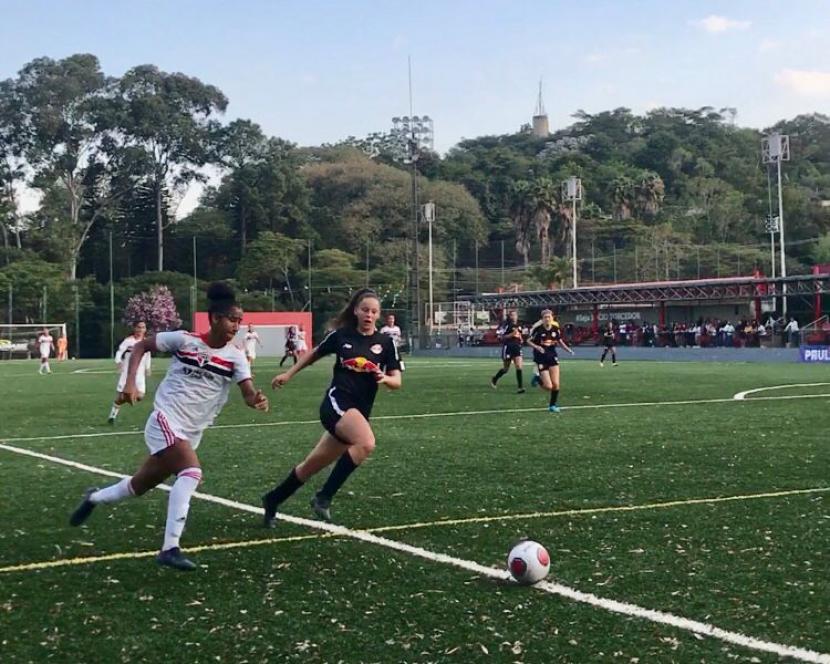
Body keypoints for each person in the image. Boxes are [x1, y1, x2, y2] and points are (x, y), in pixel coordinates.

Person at [69, 283, 269, 571]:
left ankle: (94, 497)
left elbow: (247, 392)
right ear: (215, 318)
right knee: (191, 473)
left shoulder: (235, 356)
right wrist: (129, 384)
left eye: (240, 321)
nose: (236, 327)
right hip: (166, 419)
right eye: (232, 320)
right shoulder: (183, 340)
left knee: (139, 485)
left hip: (192, 431)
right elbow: (141, 346)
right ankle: (170, 548)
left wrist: (256, 399)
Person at [262, 288, 402, 526]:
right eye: (365, 310)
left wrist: (385, 378)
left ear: (379, 315)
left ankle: (273, 499)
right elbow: (313, 354)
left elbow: (397, 381)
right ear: (356, 311)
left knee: (310, 466)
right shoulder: (341, 336)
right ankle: (323, 497)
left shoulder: (386, 343)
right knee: (366, 443)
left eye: (374, 311)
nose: (369, 315)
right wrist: (288, 374)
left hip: (358, 412)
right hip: (337, 403)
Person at [527, 309, 574, 413]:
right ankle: (537, 379)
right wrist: (537, 347)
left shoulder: (555, 329)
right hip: (541, 358)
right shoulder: (538, 330)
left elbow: (560, 341)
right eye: (545, 317)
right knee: (548, 387)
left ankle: (552, 405)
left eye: (549, 317)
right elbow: (528, 341)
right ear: (542, 319)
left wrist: (568, 350)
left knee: (556, 384)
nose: (547, 319)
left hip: (552, 357)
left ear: (552, 318)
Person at [108, 321, 152, 424]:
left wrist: (148, 368)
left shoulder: (146, 342)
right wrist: (118, 362)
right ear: (135, 328)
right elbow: (119, 352)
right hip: (127, 373)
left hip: (140, 374)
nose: (141, 330)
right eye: (139, 327)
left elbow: (148, 356)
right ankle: (112, 416)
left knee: (140, 396)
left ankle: (129, 397)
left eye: (143, 327)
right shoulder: (128, 341)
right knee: (121, 397)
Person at [490, 310, 526, 394]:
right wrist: (511, 334)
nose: (513, 317)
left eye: (515, 315)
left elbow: (519, 335)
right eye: (511, 315)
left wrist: (521, 339)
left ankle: (520, 387)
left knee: (519, 366)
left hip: (517, 347)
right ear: (509, 317)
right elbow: (501, 337)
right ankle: (495, 379)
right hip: (508, 347)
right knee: (506, 369)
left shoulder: (519, 326)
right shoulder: (506, 325)